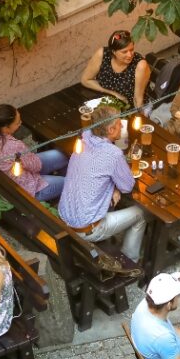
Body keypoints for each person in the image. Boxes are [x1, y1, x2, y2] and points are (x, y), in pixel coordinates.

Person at [58, 106, 146, 263]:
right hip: (88, 230)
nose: (122, 126)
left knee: (111, 192)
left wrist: (112, 187)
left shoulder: (84, 138)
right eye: (120, 124)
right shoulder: (113, 154)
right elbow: (127, 186)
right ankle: (129, 260)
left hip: (65, 219)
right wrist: (116, 186)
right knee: (141, 213)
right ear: (111, 129)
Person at [0, 104, 67, 202]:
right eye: (17, 123)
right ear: (5, 128)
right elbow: (36, 166)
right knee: (69, 181)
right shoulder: (14, 145)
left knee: (63, 155)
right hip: (27, 190)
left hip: (7, 180)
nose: (20, 123)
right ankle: (67, 191)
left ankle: (61, 190)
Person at [81, 30, 151, 109]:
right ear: (113, 51)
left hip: (129, 107)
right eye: (124, 52)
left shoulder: (140, 65)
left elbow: (138, 100)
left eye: (131, 50)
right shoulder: (103, 54)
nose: (130, 55)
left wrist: (139, 117)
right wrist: (113, 94)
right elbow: (85, 80)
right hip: (107, 102)